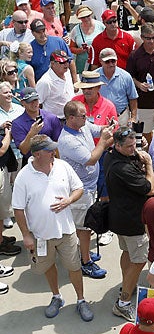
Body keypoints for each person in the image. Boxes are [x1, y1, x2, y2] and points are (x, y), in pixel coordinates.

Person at [11, 135, 94, 322]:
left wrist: (69, 200)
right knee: (48, 265)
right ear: (37, 154)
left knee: (74, 267)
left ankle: (81, 300)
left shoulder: (62, 166)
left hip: (66, 231)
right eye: (49, 150)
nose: (54, 153)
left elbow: (78, 188)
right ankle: (57, 296)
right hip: (40, 235)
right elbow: (18, 208)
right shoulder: (24, 176)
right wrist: (26, 235)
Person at [57, 101, 114, 279]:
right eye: (83, 116)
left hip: (89, 186)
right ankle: (85, 261)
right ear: (71, 118)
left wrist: (109, 126)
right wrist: (104, 143)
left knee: (86, 225)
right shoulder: (67, 141)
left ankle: (83, 253)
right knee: (84, 227)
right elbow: (90, 159)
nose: (87, 118)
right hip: (79, 190)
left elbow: (97, 129)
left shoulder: (83, 126)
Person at [105, 127, 154, 322]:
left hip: (118, 218)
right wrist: (148, 165)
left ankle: (128, 284)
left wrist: (136, 155)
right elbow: (149, 189)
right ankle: (123, 303)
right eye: (129, 147)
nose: (133, 149)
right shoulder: (123, 169)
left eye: (134, 144)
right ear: (117, 145)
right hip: (133, 221)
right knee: (139, 260)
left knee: (126, 253)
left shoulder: (111, 157)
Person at [36, 51, 76, 121]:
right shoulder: (45, 82)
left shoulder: (67, 73)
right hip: (54, 121)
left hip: (71, 118)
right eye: (62, 62)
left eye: (67, 61)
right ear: (52, 63)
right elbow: (37, 104)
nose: (66, 64)